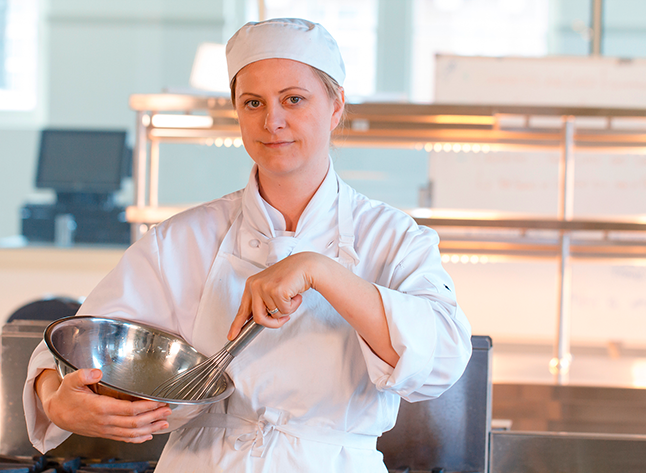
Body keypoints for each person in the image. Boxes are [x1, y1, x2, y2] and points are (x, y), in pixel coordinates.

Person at [24, 18, 472, 473]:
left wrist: (321, 271)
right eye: (252, 102)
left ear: (336, 106)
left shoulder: (393, 238)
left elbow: (443, 359)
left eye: (293, 99)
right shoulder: (181, 239)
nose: (272, 121)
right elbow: (75, 342)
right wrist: (56, 402)